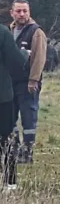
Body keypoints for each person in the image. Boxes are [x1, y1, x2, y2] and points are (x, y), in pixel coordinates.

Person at [8, 0, 47, 164]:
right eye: (18, 11)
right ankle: (14, 147)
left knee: (28, 116)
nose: (22, 14)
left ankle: (28, 150)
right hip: (10, 82)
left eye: (25, 11)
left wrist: (33, 80)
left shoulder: (36, 32)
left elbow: (39, 58)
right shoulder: (10, 30)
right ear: (12, 13)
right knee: (10, 115)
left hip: (27, 82)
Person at [0, 24, 30, 190]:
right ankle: (9, 181)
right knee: (5, 138)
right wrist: (25, 54)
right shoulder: (3, 33)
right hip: (2, 95)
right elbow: (17, 63)